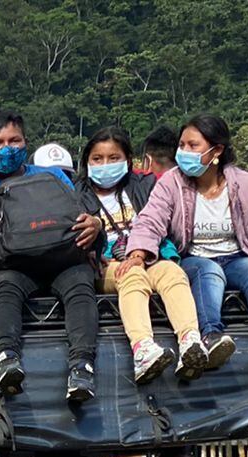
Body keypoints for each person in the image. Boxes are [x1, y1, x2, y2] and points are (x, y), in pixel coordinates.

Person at [124, 114, 248, 378]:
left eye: (193, 146)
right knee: (208, 272)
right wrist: (138, 253)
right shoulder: (171, 183)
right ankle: (211, 336)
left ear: (216, 151)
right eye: (182, 145)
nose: (184, 152)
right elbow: (151, 219)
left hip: (238, 255)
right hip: (194, 257)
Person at [0, 111, 104, 405]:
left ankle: (82, 367)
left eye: (14, 140)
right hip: (13, 266)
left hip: (63, 260)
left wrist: (95, 227)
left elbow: (85, 214)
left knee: (81, 286)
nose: (7, 148)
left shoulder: (52, 175)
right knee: (5, 290)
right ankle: (6, 359)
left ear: (26, 143)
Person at [78, 128, 207, 385]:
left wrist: (161, 254)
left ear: (128, 161)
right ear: (87, 163)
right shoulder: (74, 196)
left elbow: (161, 226)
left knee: (172, 273)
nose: (105, 165)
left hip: (147, 255)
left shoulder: (145, 186)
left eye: (114, 158)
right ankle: (143, 349)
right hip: (107, 265)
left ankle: (190, 340)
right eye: (97, 159)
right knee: (133, 275)